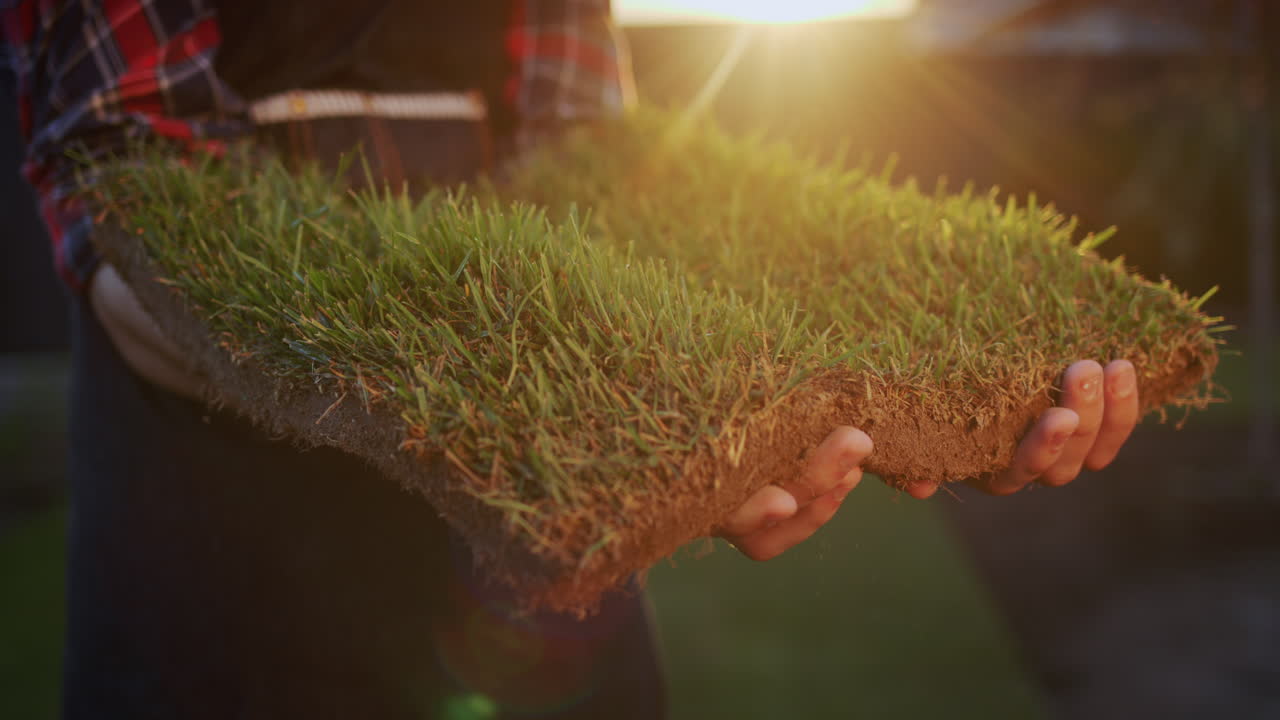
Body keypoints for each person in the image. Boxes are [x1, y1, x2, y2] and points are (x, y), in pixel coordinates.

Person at [1, 1, 1141, 717]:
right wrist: (475, 409)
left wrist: (788, 424)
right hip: (215, 545)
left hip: (544, 626)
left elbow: (585, 146)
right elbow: (130, 179)